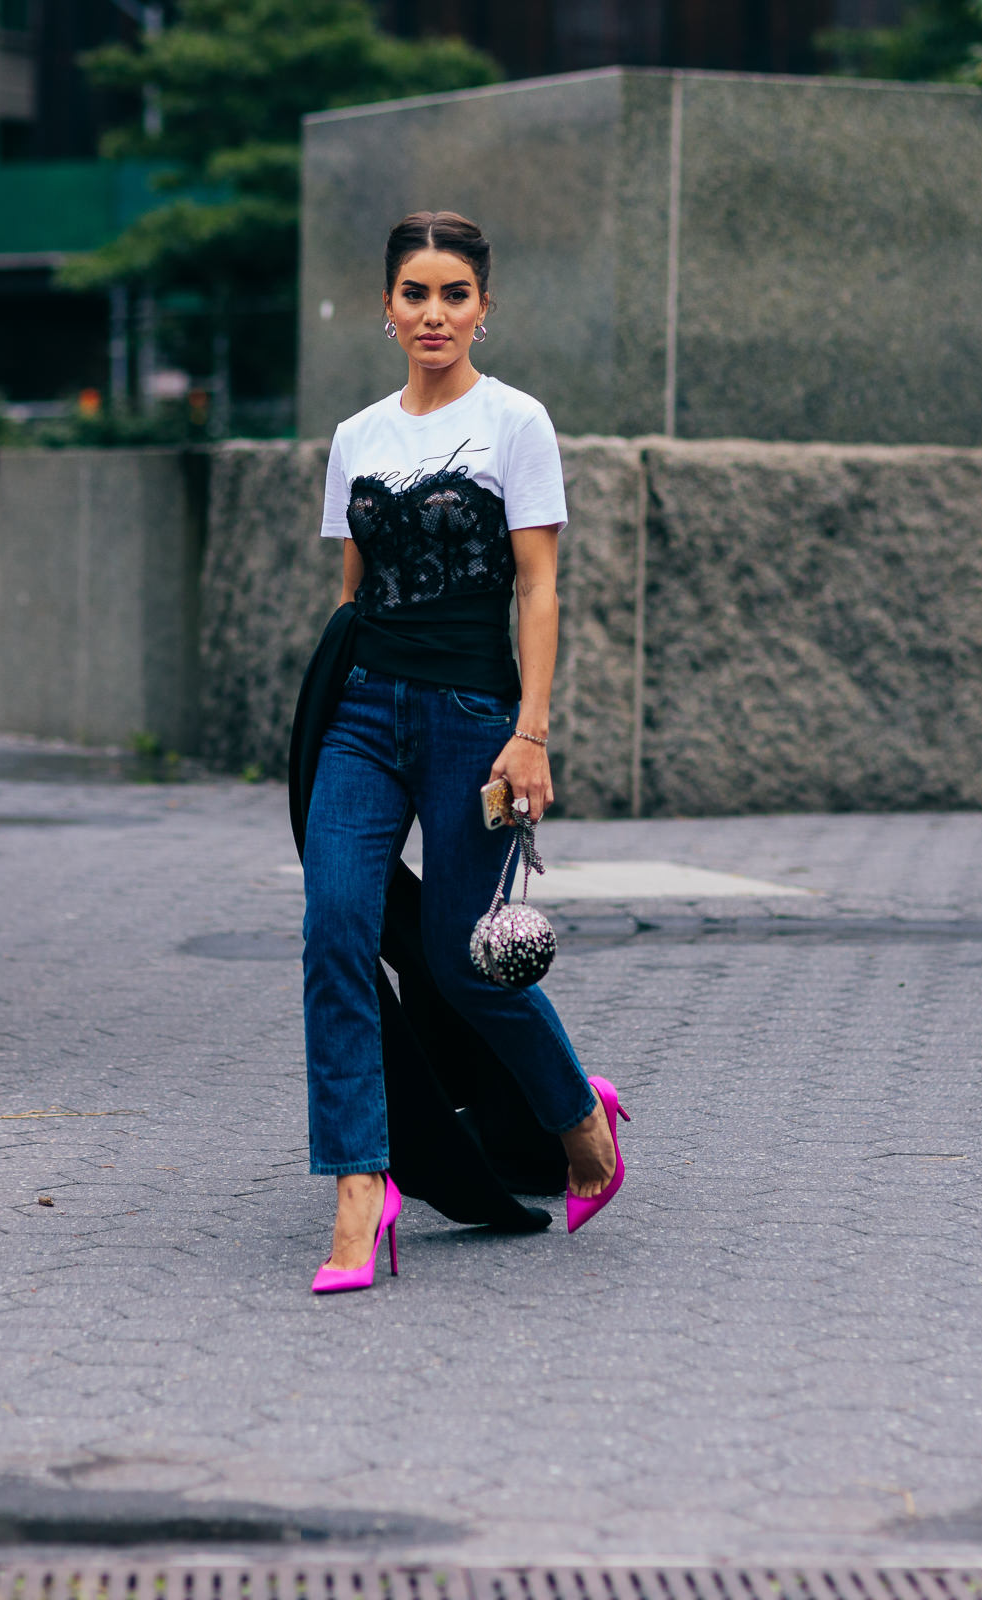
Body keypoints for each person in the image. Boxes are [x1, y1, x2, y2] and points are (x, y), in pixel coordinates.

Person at [288, 211, 629, 1295]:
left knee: (462, 957)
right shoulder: (356, 437)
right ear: (387, 308)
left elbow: (538, 585)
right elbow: (353, 595)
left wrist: (531, 732)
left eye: (455, 295)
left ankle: (579, 1116)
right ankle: (360, 1185)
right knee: (334, 928)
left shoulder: (516, 423)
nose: (434, 314)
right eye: (414, 294)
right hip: (363, 713)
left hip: (476, 720)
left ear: (484, 307)